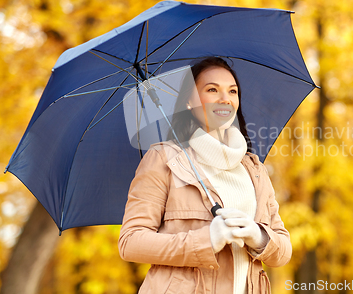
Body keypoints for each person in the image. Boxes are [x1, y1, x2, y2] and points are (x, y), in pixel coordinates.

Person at [118, 57, 292, 294]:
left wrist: (258, 236)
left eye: (233, 91)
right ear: (190, 101)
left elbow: (283, 250)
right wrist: (204, 241)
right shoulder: (164, 159)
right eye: (212, 89)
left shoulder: (255, 169)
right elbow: (130, 242)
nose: (225, 99)